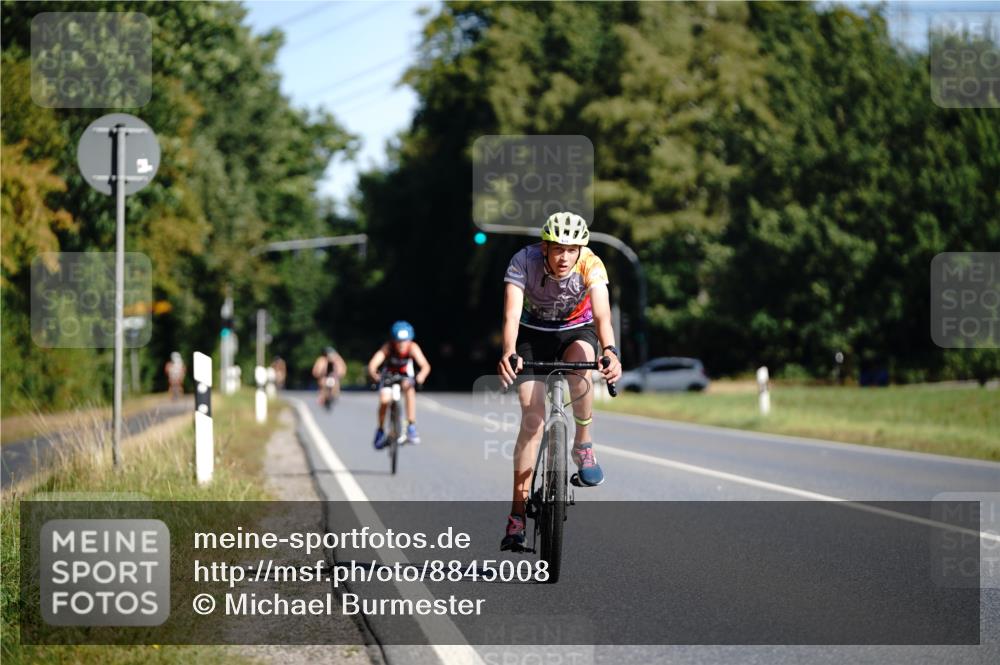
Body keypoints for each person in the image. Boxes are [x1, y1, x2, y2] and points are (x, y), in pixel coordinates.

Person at [496, 212, 622, 551]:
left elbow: (601, 315)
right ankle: (517, 516)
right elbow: (510, 315)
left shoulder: (591, 264)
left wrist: (609, 351)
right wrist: (509, 351)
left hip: (574, 329)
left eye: (571, 250)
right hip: (532, 334)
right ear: (545, 247)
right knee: (532, 418)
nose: (564, 257)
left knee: (581, 365)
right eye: (557, 250)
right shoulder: (524, 260)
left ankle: (582, 443)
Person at [367, 321, 431, 447]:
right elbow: (373, 364)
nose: (402, 344)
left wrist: (421, 377)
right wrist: (374, 375)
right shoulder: (388, 347)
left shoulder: (413, 347)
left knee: (410, 389)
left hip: (405, 376)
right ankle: (380, 430)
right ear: (393, 340)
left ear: (410, 340)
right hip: (388, 375)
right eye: (398, 341)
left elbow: (425, 366)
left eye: (405, 341)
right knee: (385, 401)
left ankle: (411, 426)